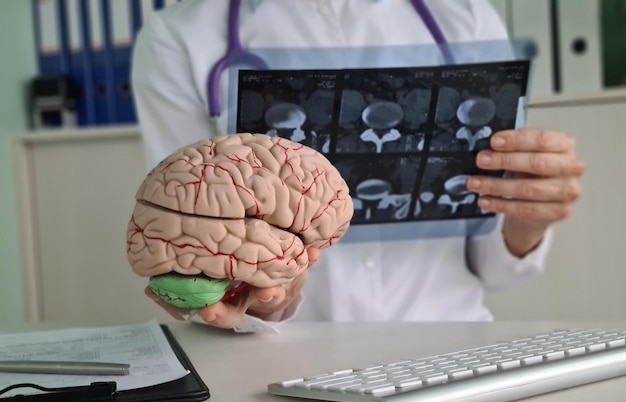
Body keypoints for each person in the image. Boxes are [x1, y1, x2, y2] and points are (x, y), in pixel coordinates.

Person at [131, 0, 584, 331]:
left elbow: (493, 269)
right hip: (274, 366)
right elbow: (194, 236)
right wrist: (259, 294)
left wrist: (527, 221)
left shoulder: (465, 18)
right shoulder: (180, 39)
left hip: (450, 346)